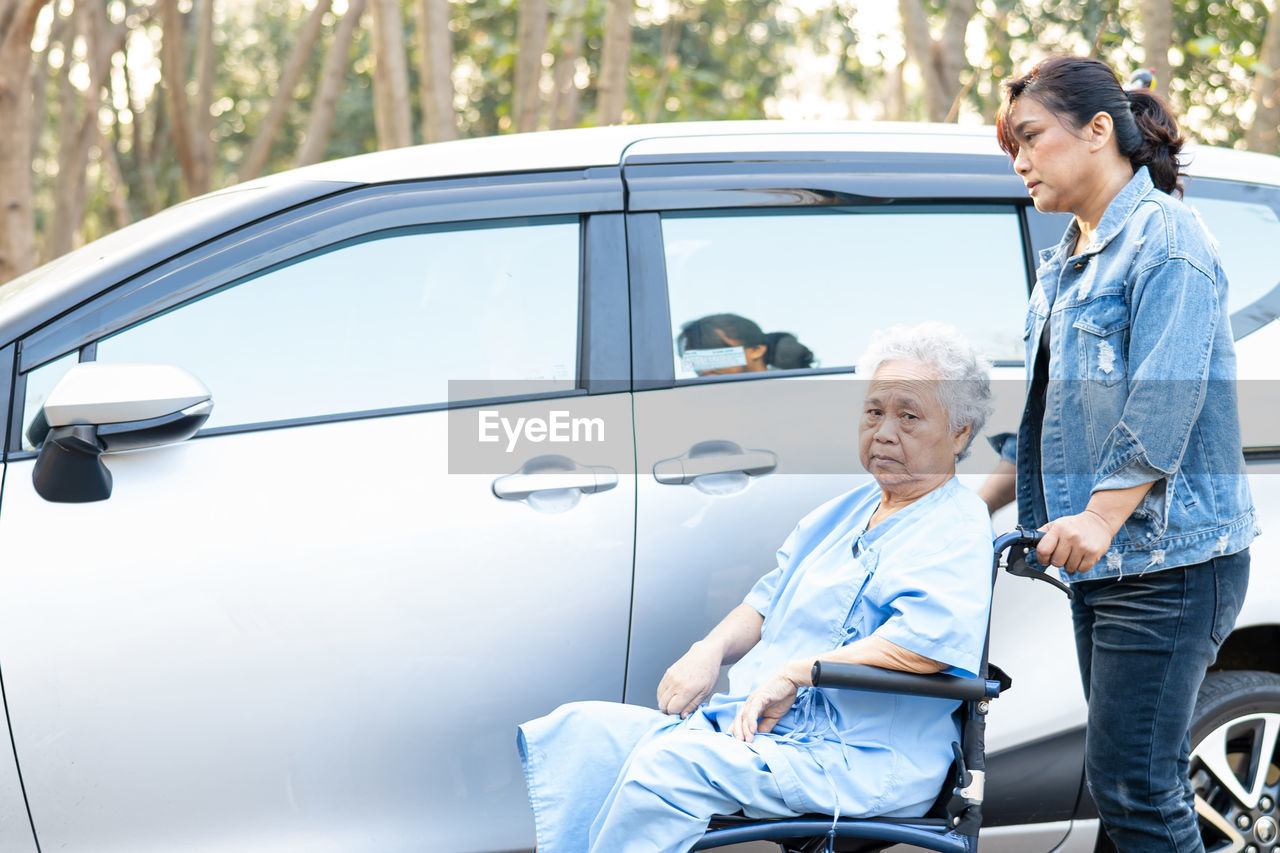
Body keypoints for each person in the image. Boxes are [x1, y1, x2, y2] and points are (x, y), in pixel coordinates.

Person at [519, 322, 996, 853]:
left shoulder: (957, 523)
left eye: (909, 416)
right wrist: (710, 650)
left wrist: (797, 671)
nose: (884, 432)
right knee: (581, 731)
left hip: (857, 758)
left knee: (672, 767)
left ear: (959, 431)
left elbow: (926, 643)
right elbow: (765, 601)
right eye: (873, 411)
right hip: (770, 732)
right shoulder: (844, 511)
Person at [979, 56, 1257, 852]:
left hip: (1170, 565)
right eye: (1012, 148)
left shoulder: (1167, 242)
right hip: (1108, 564)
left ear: (1099, 130)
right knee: (1128, 779)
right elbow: (1044, 415)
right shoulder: (1067, 256)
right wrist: (970, 504)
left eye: (1030, 138)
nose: (1021, 161)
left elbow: (1162, 404)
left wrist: (1100, 515)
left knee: (1136, 782)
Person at [677, 313, 814, 375]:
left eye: (715, 353)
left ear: (756, 350)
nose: (703, 369)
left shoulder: (793, 397)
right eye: (694, 359)